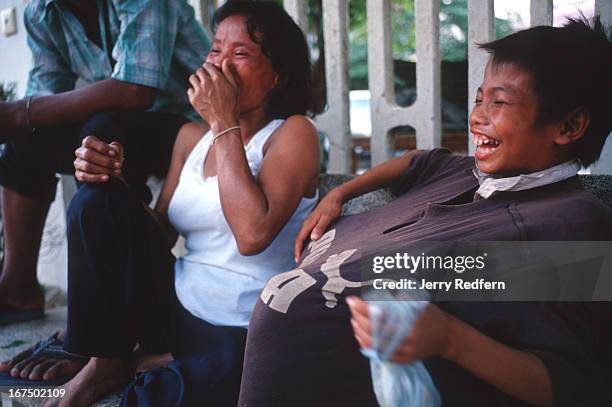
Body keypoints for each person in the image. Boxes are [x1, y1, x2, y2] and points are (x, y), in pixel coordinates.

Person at [238, 17, 612, 407]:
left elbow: (576, 386)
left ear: (569, 126)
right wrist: (339, 195)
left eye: (499, 102)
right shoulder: (468, 174)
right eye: (479, 98)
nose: (477, 117)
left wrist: (450, 339)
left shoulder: (569, 224)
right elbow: (417, 161)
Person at [38, 1, 319, 405]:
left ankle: (153, 361)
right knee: (95, 199)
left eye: (240, 54)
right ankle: (104, 361)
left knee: (164, 396)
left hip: (238, 325)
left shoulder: (293, 133)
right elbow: (159, 233)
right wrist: (115, 187)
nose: (221, 65)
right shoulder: (190, 137)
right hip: (172, 306)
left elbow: (253, 235)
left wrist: (224, 122)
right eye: (215, 50)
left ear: (279, 75)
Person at [0, 0, 209, 324]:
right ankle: (18, 288)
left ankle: (113, 312)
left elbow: (136, 90)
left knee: (100, 134)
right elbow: (44, 95)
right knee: (26, 139)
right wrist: (18, 122)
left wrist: (17, 111)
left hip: (195, 128)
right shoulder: (42, 13)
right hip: (123, 128)